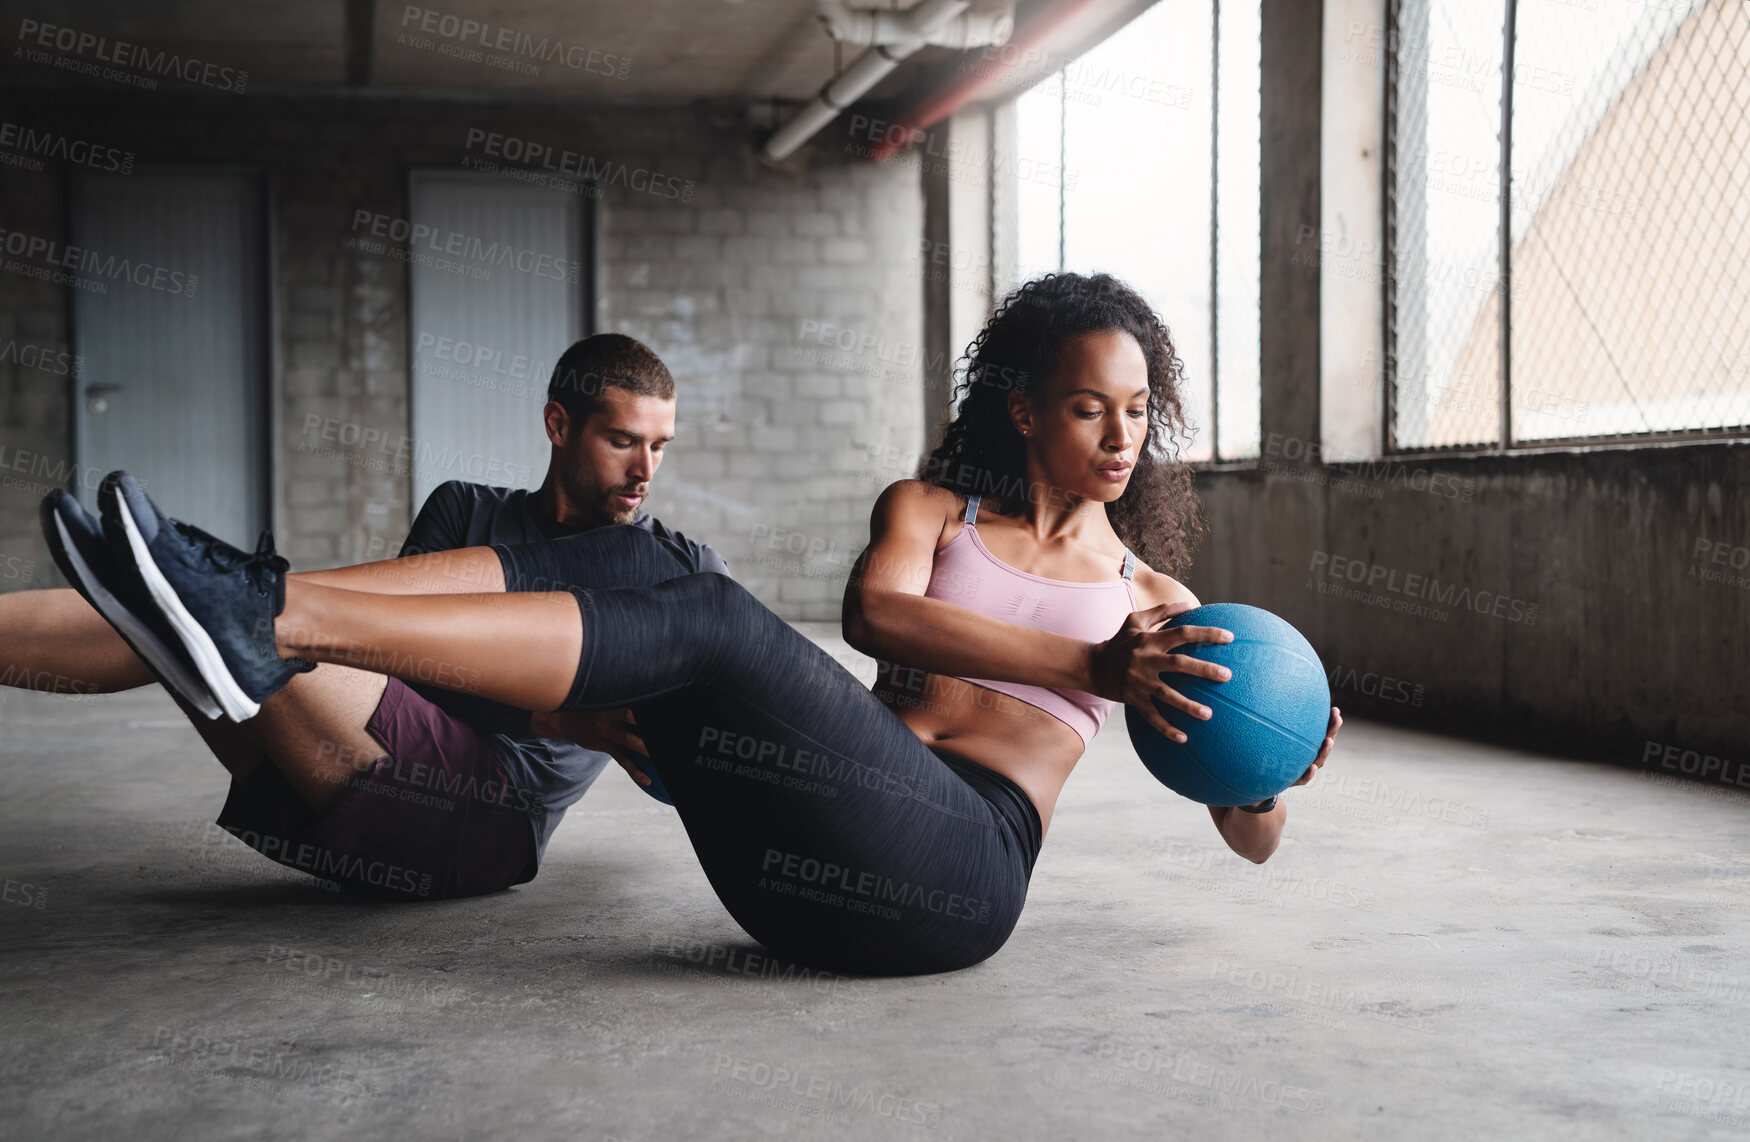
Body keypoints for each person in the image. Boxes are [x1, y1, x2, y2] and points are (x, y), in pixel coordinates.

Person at [54, 272, 1340, 975]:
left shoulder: (1154, 604)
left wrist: (1277, 766)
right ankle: (258, 611)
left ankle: (259, 614)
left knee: (702, 609)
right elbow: (872, 610)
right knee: (644, 586)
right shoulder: (931, 511)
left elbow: (1249, 833)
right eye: (1086, 407)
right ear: (1023, 409)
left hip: (956, 878)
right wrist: (1085, 661)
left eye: (1134, 412)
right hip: (789, 881)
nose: (1118, 437)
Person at [12, 333, 726, 900]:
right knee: (169, 622)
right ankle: (189, 596)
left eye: (659, 446)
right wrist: (553, 710)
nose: (645, 472)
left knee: (217, 618)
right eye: (624, 441)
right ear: (558, 424)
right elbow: (384, 655)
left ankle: (200, 588)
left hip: (484, 819)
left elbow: (742, 683)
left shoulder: (663, 565)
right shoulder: (465, 508)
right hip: (344, 769)